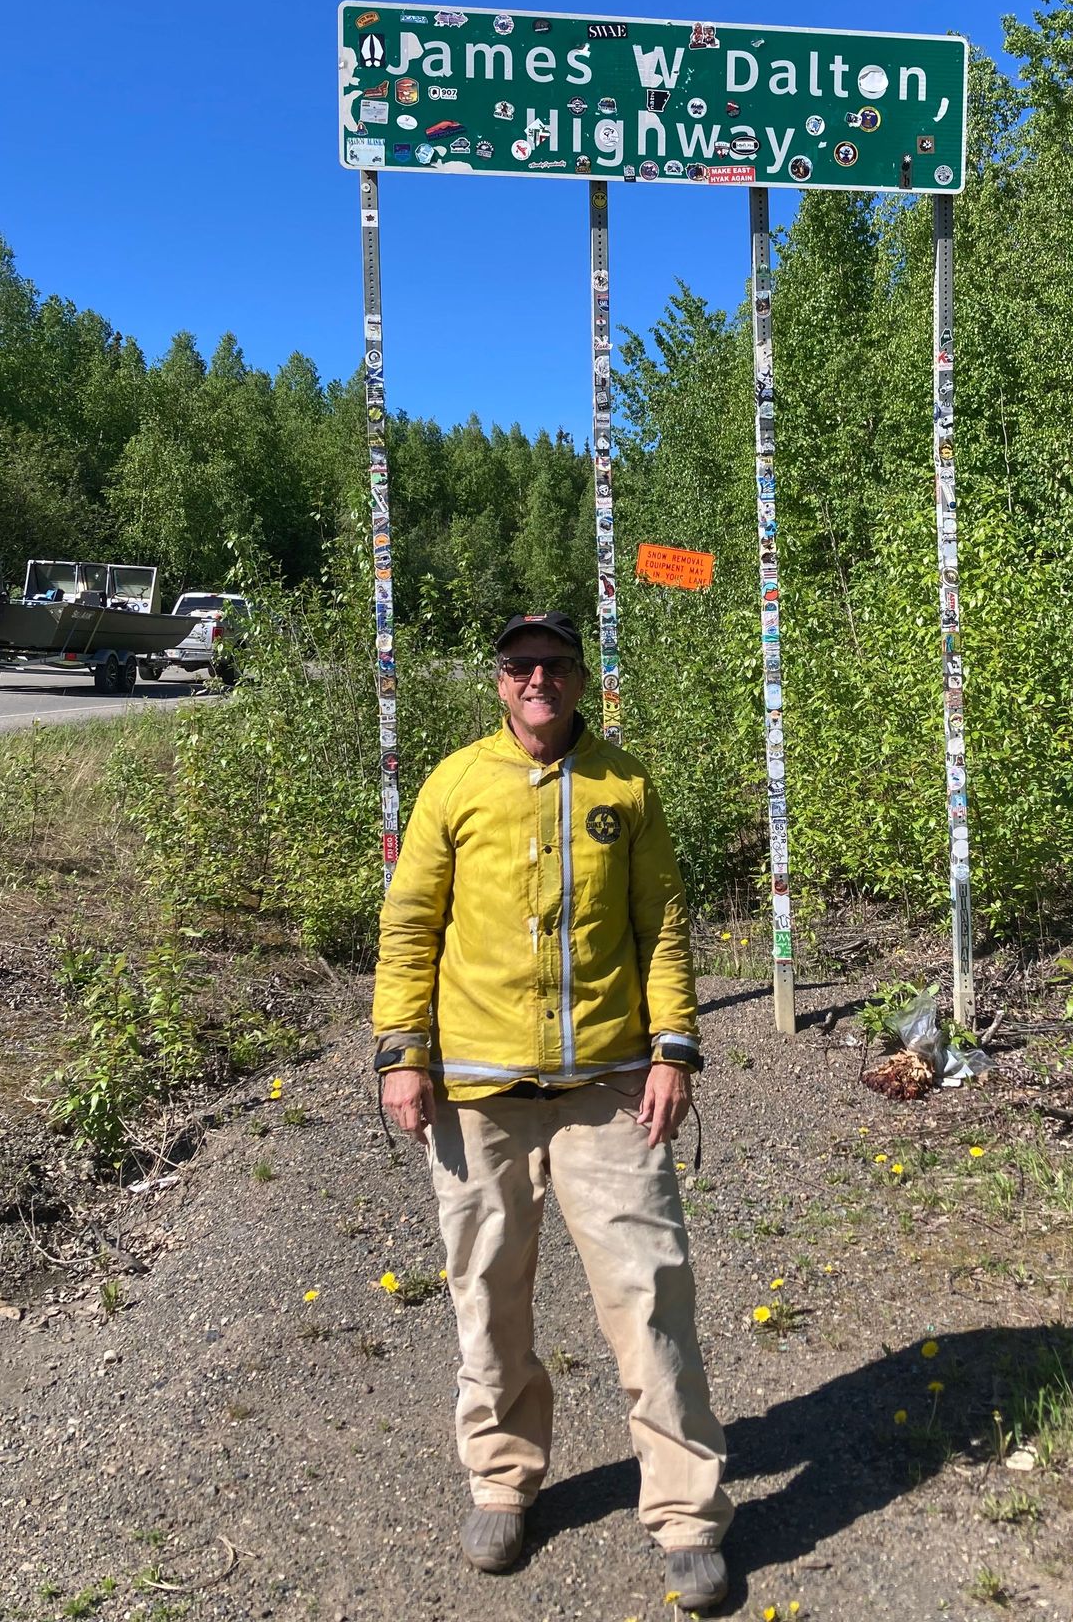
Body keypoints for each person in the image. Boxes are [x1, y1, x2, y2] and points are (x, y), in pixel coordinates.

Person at [373, 612, 732, 1608]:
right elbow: (410, 922)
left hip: (608, 1089)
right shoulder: (455, 783)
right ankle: (501, 1480)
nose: (539, 679)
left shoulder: (626, 785)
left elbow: (662, 924)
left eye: (556, 665)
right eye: (521, 665)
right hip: (475, 1094)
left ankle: (687, 1515)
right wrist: (402, 1054)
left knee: (650, 1295)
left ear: (580, 678)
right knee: (487, 1294)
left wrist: (674, 1047)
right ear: (500, 681)